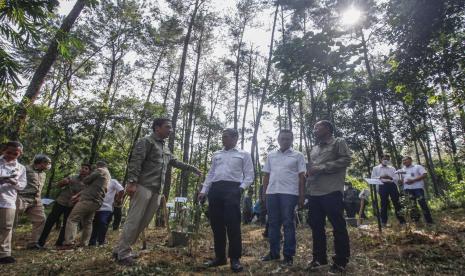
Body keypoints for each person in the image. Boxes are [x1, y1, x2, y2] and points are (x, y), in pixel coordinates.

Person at [113, 118, 201, 266]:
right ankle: (123, 254)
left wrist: (193, 169)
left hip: (156, 191)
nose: (170, 130)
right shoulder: (146, 141)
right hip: (143, 187)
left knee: (144, 221)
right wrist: (132, 182)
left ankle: (120, 249)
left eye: (171, 127)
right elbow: (135, 161)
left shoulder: (165, 148)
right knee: (134, 220)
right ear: (157, 128)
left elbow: (176, 162)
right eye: (167, 127)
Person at [198, 128, 254, 273]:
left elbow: (249, 175)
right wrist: (204, 190)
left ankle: (235, 259)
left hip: (233, 189)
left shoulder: (244, 154)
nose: (223, 139)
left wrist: (240, 189)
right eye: (222, 136)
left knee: (233, 225)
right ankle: (220, 257)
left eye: (226, 136)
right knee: (217, 225)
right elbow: (211, 174)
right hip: (215, 190)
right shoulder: (217, 154)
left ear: (235, 138)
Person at [306, 120, 351, 274]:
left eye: (317, 126)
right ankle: (319, 258)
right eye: (314, 127)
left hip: (331, 191)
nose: (315, 129)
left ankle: (341, 261)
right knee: (316, 226)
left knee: (338, 226)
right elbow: (312, 169)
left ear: (327, 128)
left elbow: (346, 160)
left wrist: (321, 168)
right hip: (314, 192)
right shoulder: (314, 148)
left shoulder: (338, 142)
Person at [260, 129, 306, 266]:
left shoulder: (298, 155)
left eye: (288, 139)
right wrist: (264, 193)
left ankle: (288, 256)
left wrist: (302, 196)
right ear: (278, 140)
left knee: (288, 223)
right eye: (282, 138)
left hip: (290, 193)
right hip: (272, 193)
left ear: (292, 140)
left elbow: (301, 177)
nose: (285, 141)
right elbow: (266, 175)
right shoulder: (271, 155)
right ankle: (273, 253)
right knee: (273, 224)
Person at [38, 163, 91, 247]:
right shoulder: (73, 177)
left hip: (72, 206)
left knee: (66, 224)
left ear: (89, 172)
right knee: (50, 221)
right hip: (60, 202)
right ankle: (40, 242)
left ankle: (59, 243)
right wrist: (63, 182)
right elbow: (58, 185)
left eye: (86, 168)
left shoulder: (89, 184)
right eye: (82, 168)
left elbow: (85, 195)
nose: (83, 170)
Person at [61, 161, 110, 248]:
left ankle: (69, 242)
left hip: (88, 200)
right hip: (97, 201)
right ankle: (84, 243)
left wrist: (86, 179)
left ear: (98, 166)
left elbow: (86, 180)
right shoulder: (108, 176)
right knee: (88, 222)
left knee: (72, 219)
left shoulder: (100, 170)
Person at [16, 154, 51, 249]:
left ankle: (33, 243)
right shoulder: (25, 169)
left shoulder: (43, 174)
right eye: (47, 163)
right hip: (21, 198)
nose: (48, 165)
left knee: (41, 219)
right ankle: (4, 243)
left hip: (36, 200)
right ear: (40, 162)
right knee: (10, 220)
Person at [0, 142, 27, 264]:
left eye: (15, 154)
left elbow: (22, 186)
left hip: (8, 200)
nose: (11, 155)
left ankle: (4, 254)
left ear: (20, 153)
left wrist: (14, 182)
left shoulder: (21, 168)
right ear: (3, 150)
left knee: (6, 227)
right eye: (8, 152)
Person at [371, 154, 405, 226]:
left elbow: (396, 178)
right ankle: (383, 222)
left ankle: (402, 221)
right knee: (383, 204)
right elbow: (373, 178)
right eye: (384, 159)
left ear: (389, 160)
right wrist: (381, 177)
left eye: (387, 159)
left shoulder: (392, 168)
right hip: (382, 186)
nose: (385, 160)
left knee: (397, 203)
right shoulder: (375, 168)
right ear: (380, 159)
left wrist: (390, 178)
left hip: (392, 186)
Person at [89, 178, 124, 246]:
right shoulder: (96, 180)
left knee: (102, 222)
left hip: (106, 208)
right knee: (94, 224)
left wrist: (117, 200)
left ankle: (101, 241)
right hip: (94, 206)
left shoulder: (113, 181)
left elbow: (121, 190)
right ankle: (92, 242)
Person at [401, 156, 433, 224]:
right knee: (412, 206)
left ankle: (429, 221)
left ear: (410, 160)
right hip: (407, 189)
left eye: (405, 160)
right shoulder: (402, 170)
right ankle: (416, 221)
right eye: (403, 161)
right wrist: (401, 181)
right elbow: (403, 180)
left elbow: (424, 175)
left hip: (418, 188)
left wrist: (413, 180)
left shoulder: (417, 167)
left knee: (423, 204)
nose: (404, 162)